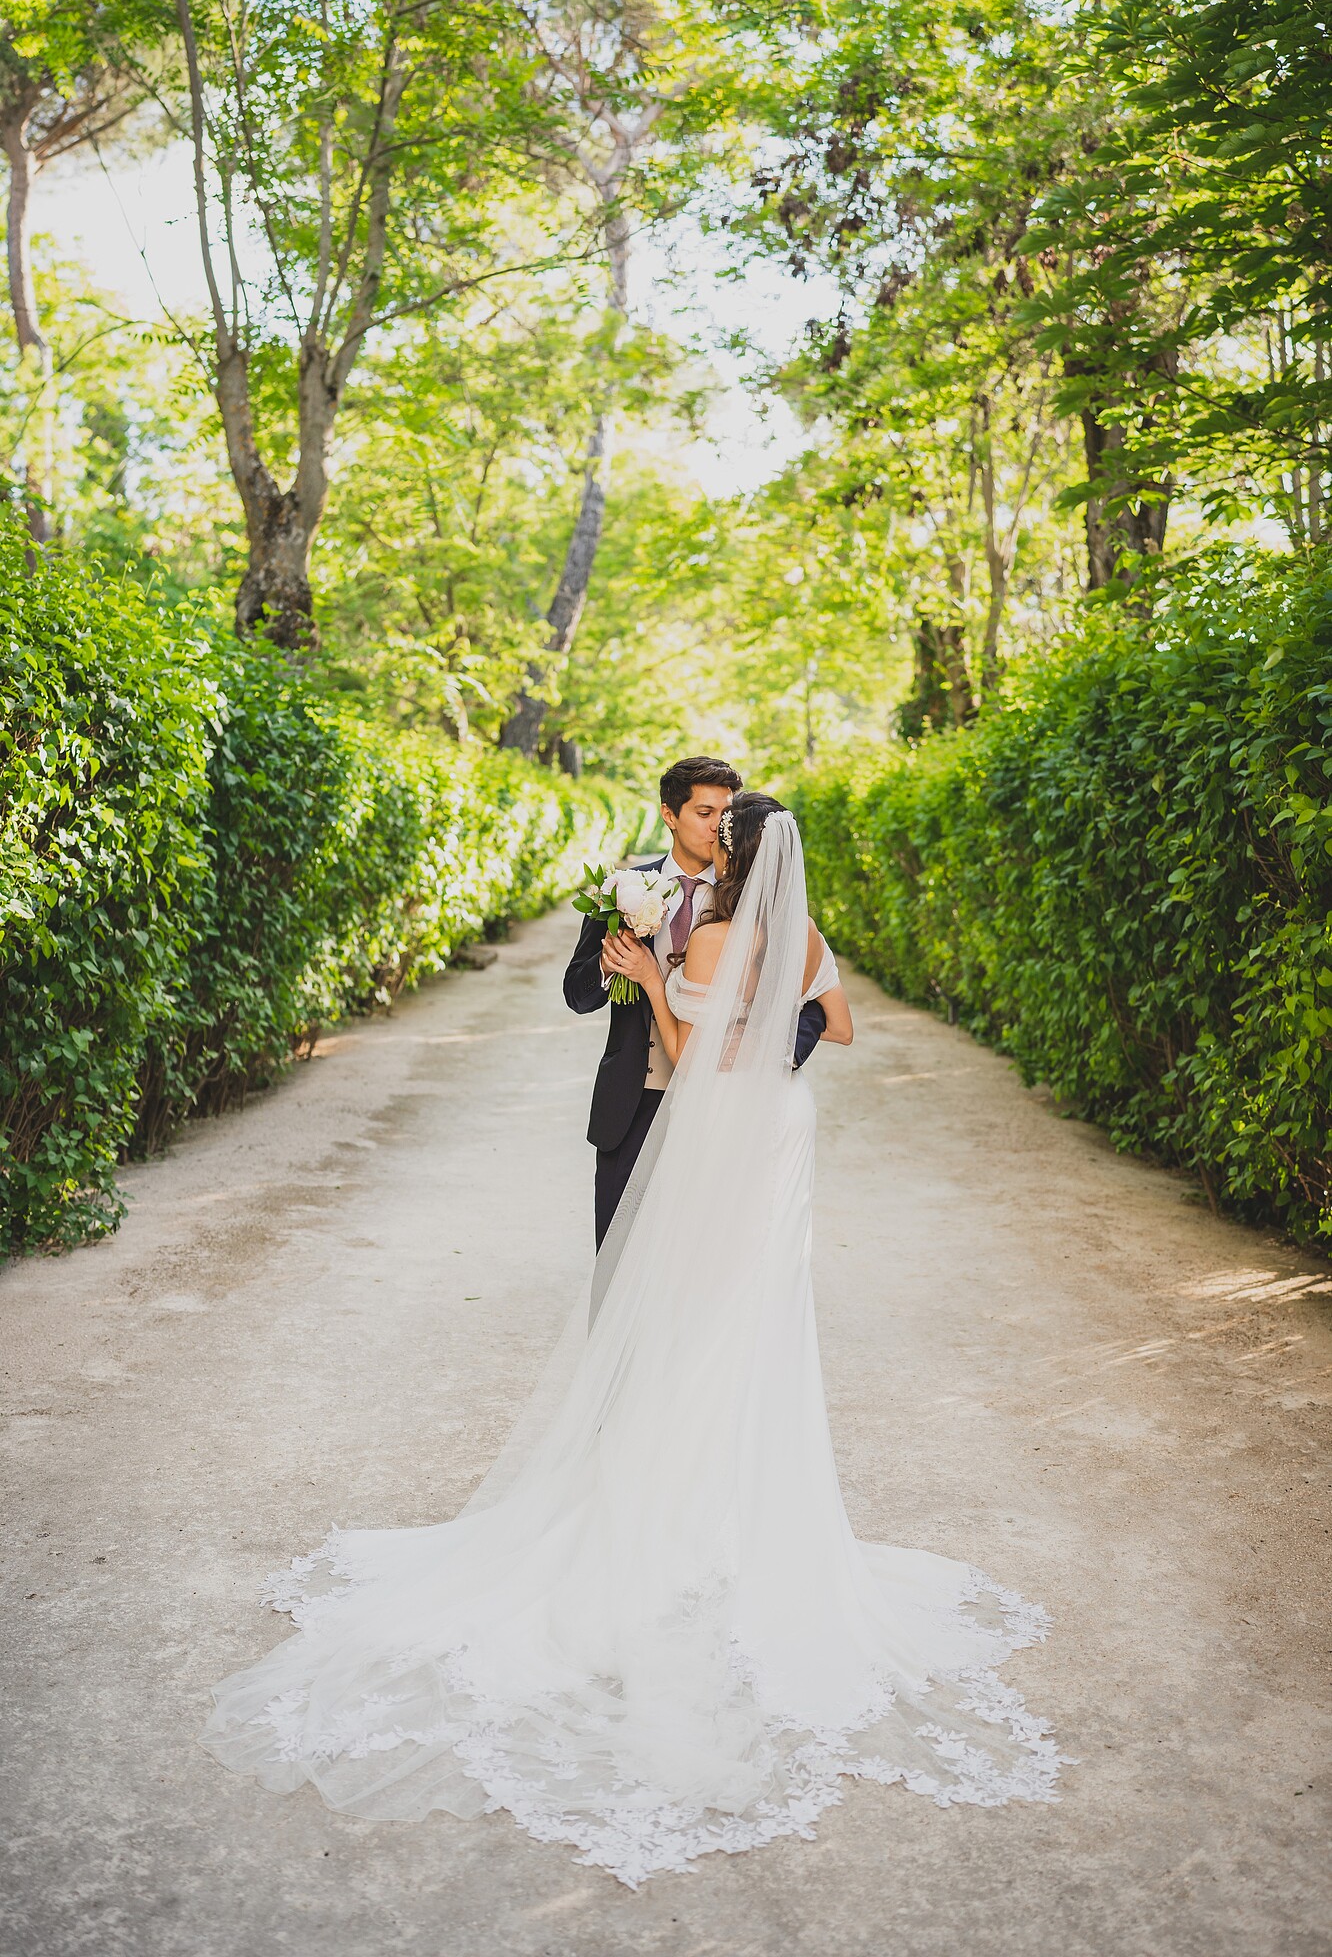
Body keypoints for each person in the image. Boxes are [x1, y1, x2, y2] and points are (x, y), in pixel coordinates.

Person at [202, 793, 1065, 1887]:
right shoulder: (801, 933)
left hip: (720, 1129)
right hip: (784, 1135)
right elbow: (835, 1027)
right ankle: (749, 1499)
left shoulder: (709, 932)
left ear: (733, 848)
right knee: (758, 1311)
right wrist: (775, 1039)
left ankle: (669, 1485)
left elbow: (690, 1055)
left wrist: (662, 987)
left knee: (688, 1304)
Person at [562, 755, 827, 1245]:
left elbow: (810, 1004)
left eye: (725, 816)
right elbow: (576, 993)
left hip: (721, 1104)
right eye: (705, 814)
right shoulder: (621, 890)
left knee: (700, 1254)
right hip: (635, 1101)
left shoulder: (754, 898)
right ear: (669, 815)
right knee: (618, 1255)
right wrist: (607, 965)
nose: (717, 827)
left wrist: (770, 1051)